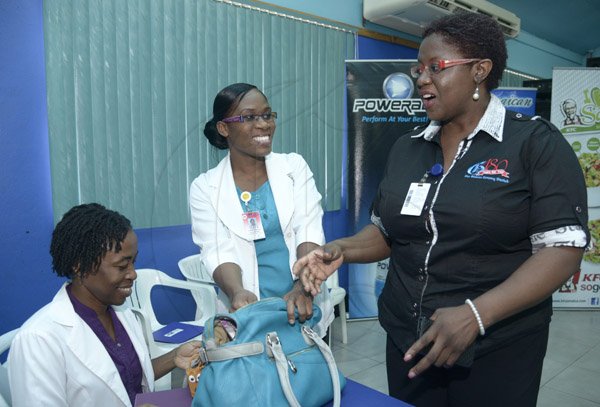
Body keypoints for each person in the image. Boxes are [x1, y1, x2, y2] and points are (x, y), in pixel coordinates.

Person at [294, 13, 589, 407]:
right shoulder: (407, 147)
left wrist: (476, 314)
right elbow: (385, 232)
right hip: (409, 339)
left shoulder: (534, 144)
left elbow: (562, 250)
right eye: (419, 69)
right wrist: (343, 249)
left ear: (480, 71)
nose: (421, 79)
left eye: (437, 67)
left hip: (496, 346)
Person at [8, 203, 201, 407]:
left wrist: (174, 357)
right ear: (80, 266)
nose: (133, 274)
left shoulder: (121, 312)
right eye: (121, 266)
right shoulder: (38, 340)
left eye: (133, 262)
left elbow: (121, 378)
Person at [189, 83, 333, 337]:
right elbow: (216, 250)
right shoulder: (205, 187)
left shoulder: (293, 168)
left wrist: (302, 284)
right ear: (224, 128)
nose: (264, 124)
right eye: (249, 117)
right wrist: (237, 292)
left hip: (302, 303)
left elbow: (308, 226)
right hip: (247, 313)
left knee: (307, 371)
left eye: (267, 115)